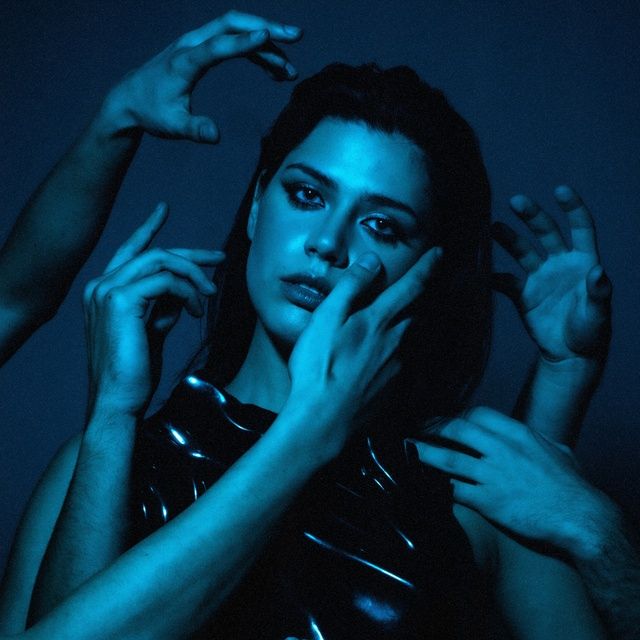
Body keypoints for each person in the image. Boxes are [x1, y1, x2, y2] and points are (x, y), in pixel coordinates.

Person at [1, 9, 638, 640]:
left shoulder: (470, 495)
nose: (328, 243)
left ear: (427, 269)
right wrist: (113, 414)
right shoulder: (106, 459)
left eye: (381, 225)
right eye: (307, 195)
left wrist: (562, 386)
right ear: (257, 205)